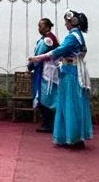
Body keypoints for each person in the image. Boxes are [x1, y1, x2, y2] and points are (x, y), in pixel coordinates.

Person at [28, 9, 92, 149]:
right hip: (71, 71)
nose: (65, 24)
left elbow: (57, 52)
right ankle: (70, 137)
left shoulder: (73, 37)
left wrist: (36, 58)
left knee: (70, 104)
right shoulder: (77, 35)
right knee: (69, 104)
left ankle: (74, 138)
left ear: (72, 21)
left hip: (71, 73)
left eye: (66, 22)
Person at [29, 18, 59, 133]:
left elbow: (38, 56)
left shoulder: (47, 40)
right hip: (48, 71)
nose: (39, 28)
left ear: (47, 27)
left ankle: (48, 124)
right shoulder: (51, 38)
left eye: (40, 26)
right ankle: (48, 123)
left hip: (45, 72)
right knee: (48, 97)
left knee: (43, 97)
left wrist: (30, 66)